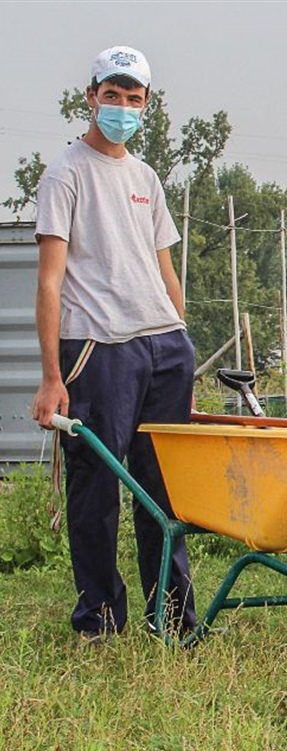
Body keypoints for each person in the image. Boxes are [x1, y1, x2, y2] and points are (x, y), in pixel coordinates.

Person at [32, 46, 197, 644]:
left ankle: (173, 619)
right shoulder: (65, 175)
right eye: (112, 95)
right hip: (97, 349)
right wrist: (53, 378)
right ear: (91, 97)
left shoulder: (145, 178)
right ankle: (99, 622)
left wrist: (180, 339)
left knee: (165, 491)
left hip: (162, 349)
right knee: (98, 490)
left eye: (133, 99)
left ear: (146, 104)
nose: (122, 108)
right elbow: (50, 280)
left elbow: (165, 269)